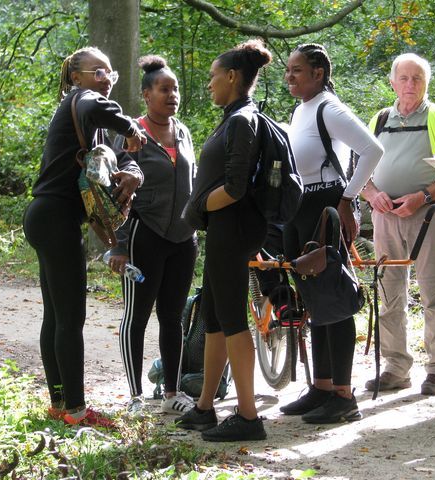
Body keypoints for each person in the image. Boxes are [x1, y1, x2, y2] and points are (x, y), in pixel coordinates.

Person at [22, 47, 146, 426]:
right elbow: (99, 108)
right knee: (70, 316)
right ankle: (76, 410)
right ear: (76, 78)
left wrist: (131, 163)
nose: (106, 78)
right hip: (55, 216)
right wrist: (133, 128)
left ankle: (60, 403)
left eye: (110, 73)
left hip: (45, 216)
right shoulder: (82, 99)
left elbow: (112, 156)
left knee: (56, 315)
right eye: (97, 72)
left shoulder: (82, 116)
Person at [278, 43, 383, 423]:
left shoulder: (329, 108)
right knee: (314, 298)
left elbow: (372, 150)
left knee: (334, 299)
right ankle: (321, 387)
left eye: (297, 71)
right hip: (301, 206)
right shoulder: (302, 108)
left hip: (325, 205)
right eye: (287, 71)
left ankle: (343, 394)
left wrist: (347, 198)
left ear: (318, 73)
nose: (289, 76)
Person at [175, 39, 271, 441]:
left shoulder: (242, 120)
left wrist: (195, 208)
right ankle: (205, 408)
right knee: (214, 317)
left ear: (232, 77)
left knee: (231, 320)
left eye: (214, 77)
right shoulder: (233, 117)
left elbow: (234, 187)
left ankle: (248, 418)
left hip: (232, 230)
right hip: (223, 230)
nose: (209, 84)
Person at [361, 53, 435, 396]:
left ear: (426, 83)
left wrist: (421, 197)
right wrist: (372, 193)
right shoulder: (379, 120)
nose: (410, 85)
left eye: (417, 78)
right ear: (392, 83)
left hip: (426, 216)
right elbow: (359, 171)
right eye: (404, 78)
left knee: (433, 292)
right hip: (384, 217)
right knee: (388, 293)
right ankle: (395, 367)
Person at [106, 55, 197, 417]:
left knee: (173, 317)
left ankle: (172, 391)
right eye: (164, 89)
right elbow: (113, 194)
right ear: (146, 94)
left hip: (183, 239)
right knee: (137, 316)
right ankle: (135, 395)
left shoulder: (184, 131)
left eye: (174, 89)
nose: (172, 95)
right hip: (144, 236)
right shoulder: (130, 135)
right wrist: (118, 245)